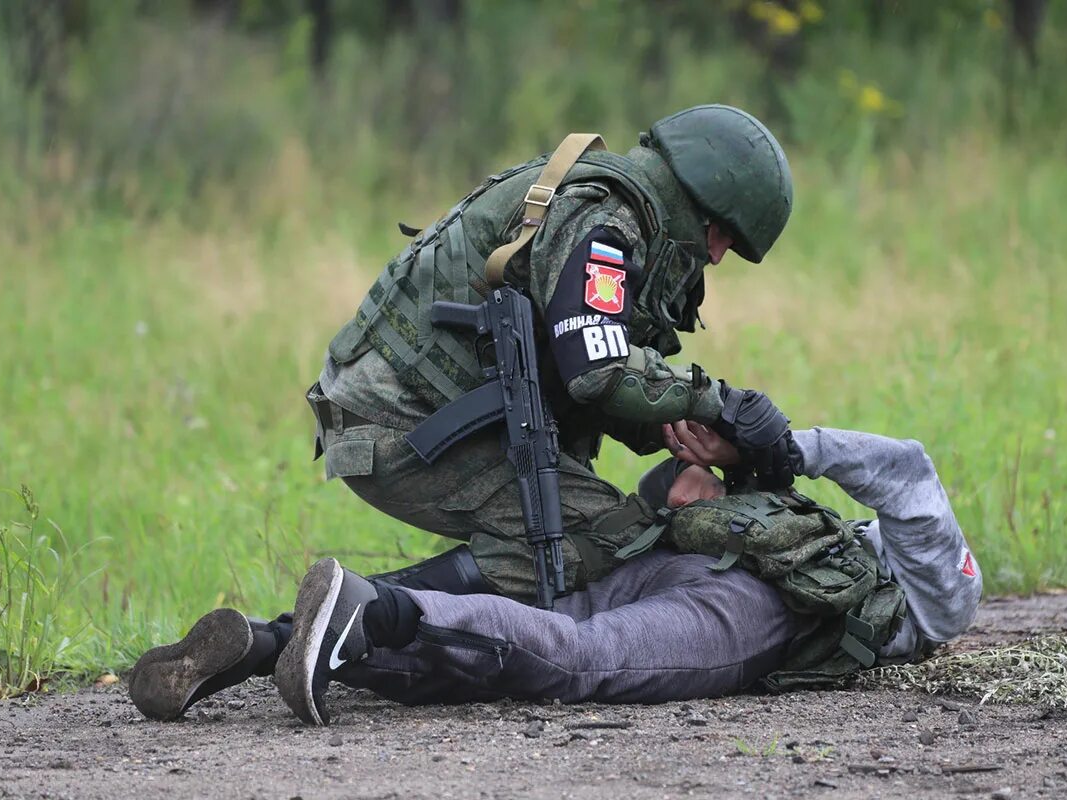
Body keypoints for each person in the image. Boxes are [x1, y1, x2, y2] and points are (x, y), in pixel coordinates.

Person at [131, 423, 982, 726]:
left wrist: (720, 469)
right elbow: (908, 469)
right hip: (746, 607)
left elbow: (896, 475)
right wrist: (774, 449)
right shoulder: (940, 595)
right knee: (577, 655)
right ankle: (373, 613)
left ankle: (285, 642)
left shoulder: (823, 525)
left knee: (522, 627)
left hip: (669, 561)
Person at [307, 103, 801, 604]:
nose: (716, 255)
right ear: (692, 197)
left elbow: (581, 367)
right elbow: (596, 369)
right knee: (607, 536)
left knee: (591, 532)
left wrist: (696, 438)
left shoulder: (625, 216)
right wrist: (720, 403)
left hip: (412, 411)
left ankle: (342, 618)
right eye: (720, 232)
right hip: (398, 420)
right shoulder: (607, 220)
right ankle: (346, 616)